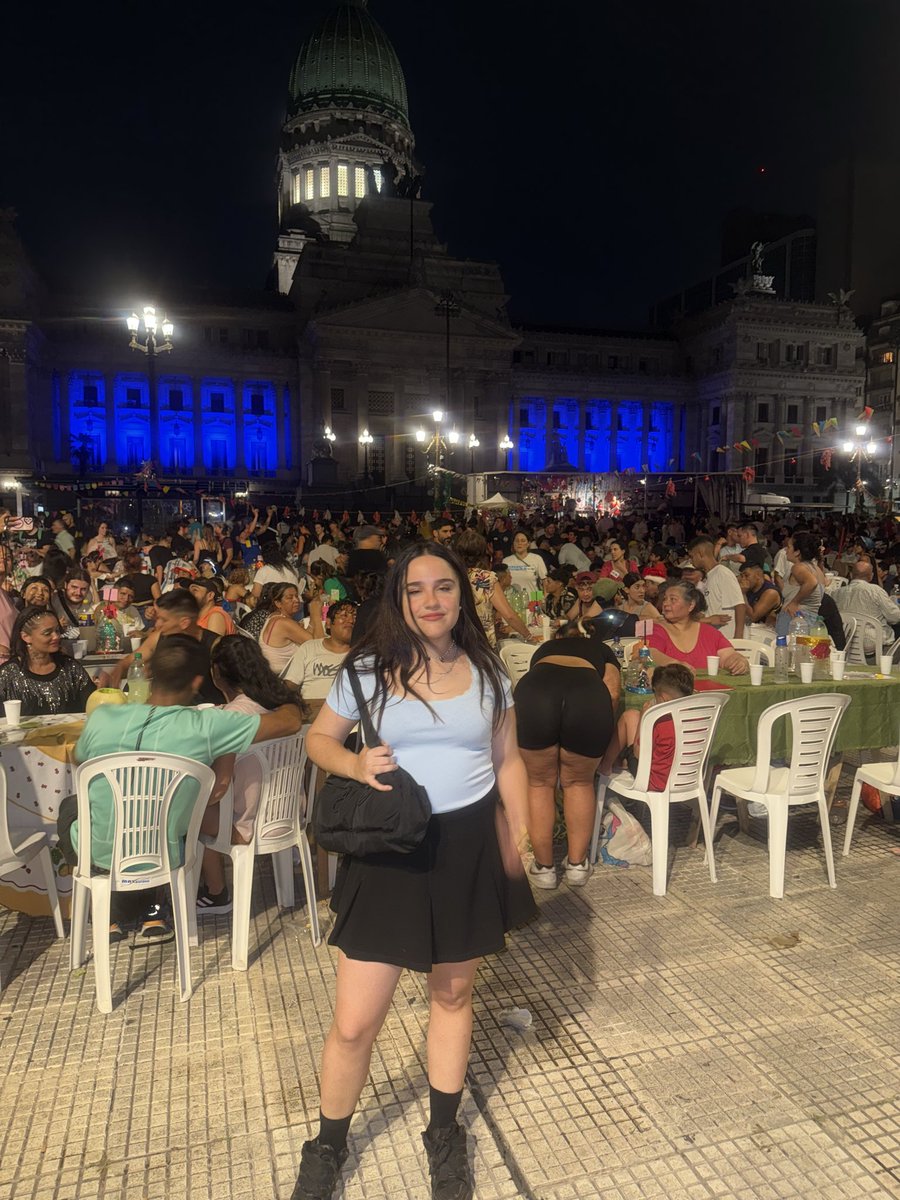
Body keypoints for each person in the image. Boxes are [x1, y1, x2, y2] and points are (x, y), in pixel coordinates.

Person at [293, 543, 535, 1200]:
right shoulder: (367, 669)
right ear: (398, 600)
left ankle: (444, 1133)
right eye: (416, 590)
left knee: (454, 997)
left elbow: (507, 759)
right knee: (353, 1021)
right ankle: (328, 1144)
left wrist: (520, 832)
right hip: (388, 849)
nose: (431, 601)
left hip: (465, 848)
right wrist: (353, 765)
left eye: (445, 588)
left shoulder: (489, 672)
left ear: (464, 597)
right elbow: (318, 739)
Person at [57, 634, 303, 942]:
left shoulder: (102, 717)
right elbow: (290, 722)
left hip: (101, 851)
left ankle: (107, 906)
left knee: (71, 807)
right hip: (167, 851)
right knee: (171, 814)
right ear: (198, 681)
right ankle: (154, 908)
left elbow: (81, 761)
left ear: (148, 674)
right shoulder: (209, 724)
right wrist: (286, 697)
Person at [196, 635, 306, 914]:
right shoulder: (282, 705)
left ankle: (216, 893)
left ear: (217, 674)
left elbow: (218, 787)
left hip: (245, 825)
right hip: (288, 813)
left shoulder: (229, 719)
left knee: (187, 810)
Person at [515, 620, 620, 889]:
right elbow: (613, 692)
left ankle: (544, 867)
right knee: (579, 782)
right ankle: (576, 866)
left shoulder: (546, 647)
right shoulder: (602, 649)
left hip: (537, 692)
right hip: (587, 695)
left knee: (539, 783)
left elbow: (539, 678)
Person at [95, 590, 224, 704]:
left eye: (164, 620)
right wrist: (114, 673)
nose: (157, 624)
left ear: (185, 622)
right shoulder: (160, 636)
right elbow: (132, 660)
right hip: (163, 711)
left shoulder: (215, 645)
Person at [599, 662, 694, 785]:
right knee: (633, 714)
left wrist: (644, 717)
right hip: (686, 777)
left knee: (628, 717)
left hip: (654, 780)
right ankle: (619, 762)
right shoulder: (697, 717)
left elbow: (638, 753)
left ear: (663, 697)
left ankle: (606, 766)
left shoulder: (661, 722)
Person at [0, 607, 95, 715]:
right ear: (26, 636)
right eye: (47, 633)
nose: (56, 637)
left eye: (57, 631)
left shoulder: (71, 668)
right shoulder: (7, 674)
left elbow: (93, 707)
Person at [455, 529, 538, 648]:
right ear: (482, 552)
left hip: (457, 641)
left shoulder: (451, 575)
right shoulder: (485, 578)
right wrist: (528, 636)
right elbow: (509, 615)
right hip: (481, 643)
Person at [647, 581, 748, 675]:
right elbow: (650, 653)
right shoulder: (656, 630)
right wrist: (675, 665)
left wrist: (738, 661)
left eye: (672, 599)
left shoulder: (709, 633)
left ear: (691, 605)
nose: (665, 603)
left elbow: (728, 655)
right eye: (665, 599)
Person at [285, 598, 357, 690]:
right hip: (310, 703)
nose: (351, 620)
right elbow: (290, 685)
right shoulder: (309, 648)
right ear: (328, 623)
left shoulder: (363, 654)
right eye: (344, 616)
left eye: (355, 617)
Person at [833, 559, 900, 651]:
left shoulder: (837, 593)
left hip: (846, 643)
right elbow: (895, 617)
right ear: (871, 576)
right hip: (873, 644)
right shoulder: (876, 591)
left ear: (851, 575)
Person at [686, 537, 746, 639]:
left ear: (700, 553)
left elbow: (740, 605)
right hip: (713, 637)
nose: (690, 561)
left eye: (692, 556)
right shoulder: (705, 579)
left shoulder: (722, 573)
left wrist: (738, 638)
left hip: (728, 637)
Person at [257, 582, 322, 675]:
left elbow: (305, 638)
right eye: (290, 597)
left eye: (296, 596)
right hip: (280, 678)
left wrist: (312, 618)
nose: (296, 600)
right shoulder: (283, 623)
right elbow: (318, 646)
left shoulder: (274, 616)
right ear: (278, 603)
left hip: (273, 673)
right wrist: (316, 615)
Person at [782, 532, 826, 619]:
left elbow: (812, 582)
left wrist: (794, 602)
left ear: (797, 552)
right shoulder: (817, 570)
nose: (785, 550)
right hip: (810, 621)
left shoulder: (798, 567)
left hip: (796, 623)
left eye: (789, 547)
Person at [738, 562, 782, 628]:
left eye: (746, 575)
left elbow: (753, 617)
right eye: (742, 576)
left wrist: (742, 593)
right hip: (751, 628)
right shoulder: (749, 588)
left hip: (767, 631)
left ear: (758, 575)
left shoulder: (771, 592)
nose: (743, 579)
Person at [503, 531, 547, 596]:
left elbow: (545, 581)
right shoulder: (506, 561)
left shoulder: (537, 558)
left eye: (523, 541)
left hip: (534, 600)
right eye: (517, 541)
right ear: (513, 543)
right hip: (512, 601)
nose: (519, 543)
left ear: (528, 544)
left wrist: (544, 598)